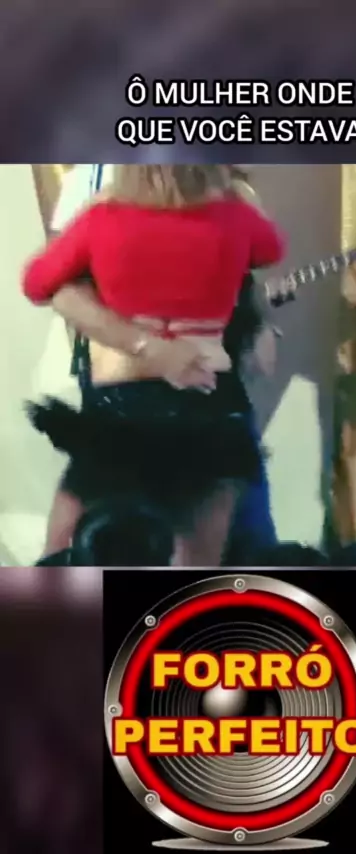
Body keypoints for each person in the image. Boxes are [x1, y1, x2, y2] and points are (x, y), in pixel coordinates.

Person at [24, 165, 285, 565]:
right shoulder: (235, 213)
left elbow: (39, 282)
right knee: (198, 567)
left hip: (121, 405)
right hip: (207, 400)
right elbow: (271, 250)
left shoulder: (101, 215)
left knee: (69, 550)